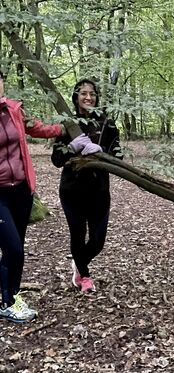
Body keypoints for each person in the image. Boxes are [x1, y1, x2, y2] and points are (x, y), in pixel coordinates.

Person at [0, 70, 65, 322]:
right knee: (13, 249)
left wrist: (63, 129)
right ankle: (8, 302)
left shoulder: (15, 110)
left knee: (16, 248)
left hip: (21, 191)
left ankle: (11, 296)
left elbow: (36, 129)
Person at [51, 79, 122, 293]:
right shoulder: (68, 123)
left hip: (99, 190)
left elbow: (118, 154)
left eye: (91, 94)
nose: (88, 97)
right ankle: (84, 275)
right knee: (78, 234)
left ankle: (79, 261)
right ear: (76, 97)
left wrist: (100, 150)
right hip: (72, 190)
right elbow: (56, 159)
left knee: (98, 239)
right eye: (83, 93)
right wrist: (72, 148)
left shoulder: (107, 124)